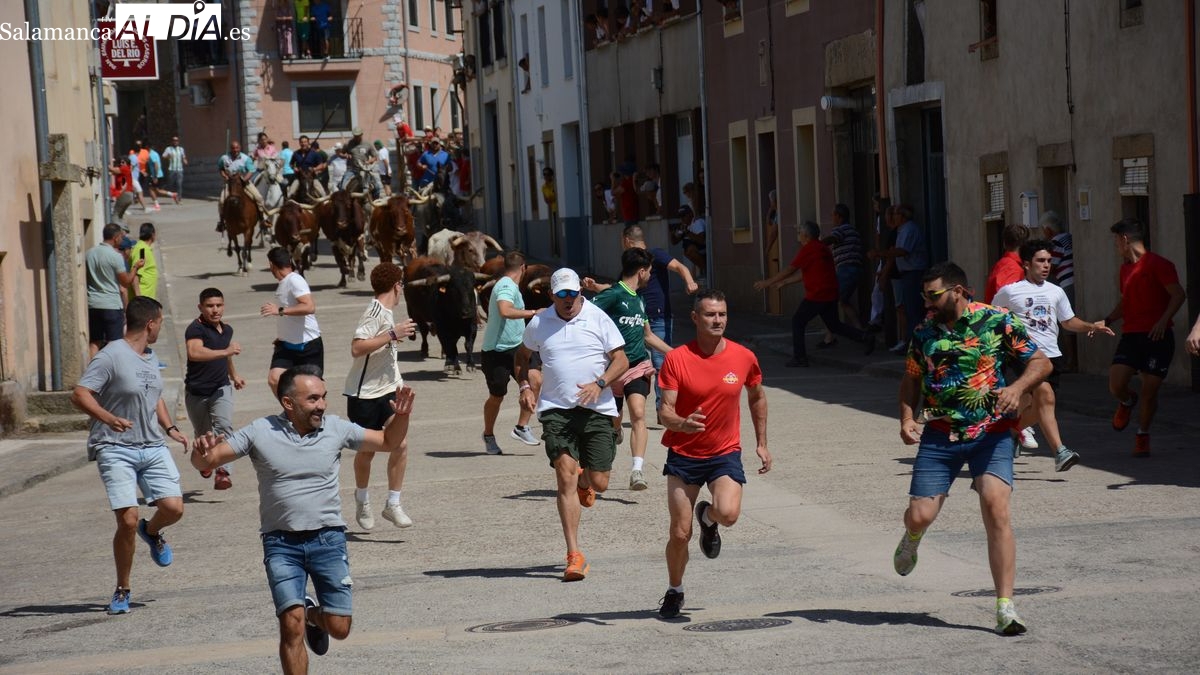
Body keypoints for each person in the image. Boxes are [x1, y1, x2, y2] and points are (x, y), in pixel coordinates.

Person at [189, 366, 415, 672]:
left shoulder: (336, 429)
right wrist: (200, 453)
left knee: (340, 627)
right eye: (312, 399)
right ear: (288, 403)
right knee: (290, 628)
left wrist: (401, 415)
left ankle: (313, 616)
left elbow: (388, 440)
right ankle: (301, 617)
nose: (321, 405)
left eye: (323, 397)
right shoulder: (259, 431)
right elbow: (209, 460)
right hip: (281, 544)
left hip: (328, 539)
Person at [894, 261, 1050, 635]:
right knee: (920, 515)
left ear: (959, 291)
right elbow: (911, 379)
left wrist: (1016, 388)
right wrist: (905, 418)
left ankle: (1005, 606)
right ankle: (912, 537)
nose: (927, 303)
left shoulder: (998, 322)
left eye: (933, 295)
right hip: (940, 435)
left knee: (997, 507)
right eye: (924, 296)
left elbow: (1040, 363)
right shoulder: (923, 332)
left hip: (992, 433)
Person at [71, 296, 190, 615]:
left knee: (174, 508)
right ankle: (122, 589)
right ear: (150, 323)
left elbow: (155, 397)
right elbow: (80, 394)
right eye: (160, 323)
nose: (160, 328)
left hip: (151, 444)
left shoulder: (150, 358)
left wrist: (171, 428)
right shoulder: (111, 356)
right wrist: (107, 417)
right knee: (127, 519)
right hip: (114, 446)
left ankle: (152, 533)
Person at [656, 289, 770, 619]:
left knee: (730, 514)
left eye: (721, 314)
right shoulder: (678, 358)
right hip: (684, 453)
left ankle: (708, 517)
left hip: (724, 452)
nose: (717, 320)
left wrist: (762, 442)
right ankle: (675, 590)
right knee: (679, 533)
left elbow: (757, 397)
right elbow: (665, 411)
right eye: (710, 314)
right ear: (695, 318)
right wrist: (682, 423)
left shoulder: (743, 357)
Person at [514, 268, 629, 581]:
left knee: (600, 482)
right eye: (561, 294)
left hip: (597, 409)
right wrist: (524, 386)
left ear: (581, 291)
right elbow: (522, 357)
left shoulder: (597, 318)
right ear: (552, 296)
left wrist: (600, 382)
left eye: (573, 293)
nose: (568, 300)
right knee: (564, 475)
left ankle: (586, 482)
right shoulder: (539, 323)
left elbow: (622, 360)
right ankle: (574, 554)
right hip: (556, 411)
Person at [993, 240, 1114, 471]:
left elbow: (1068, 321)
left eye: (1048, 261)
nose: (1046, 265)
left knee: (1037, 407)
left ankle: (1008, 433)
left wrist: (1092, 326)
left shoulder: (1056, 291)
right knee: (1046, 396)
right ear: (1027, 264)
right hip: (1025, 356)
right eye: (1041, 261)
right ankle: (1060, 452)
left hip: (1052, 356)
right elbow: (993, 319)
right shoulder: (1010, 292)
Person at [582, 224, 698, 419]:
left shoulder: (654, 254)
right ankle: (618, 408)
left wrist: (689, 281)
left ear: (626, 240)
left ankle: (664, 410)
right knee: (634, 359)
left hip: (658, 317)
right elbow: (617, 290)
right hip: (636, 319)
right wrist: (596, 288)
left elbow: (679, 266)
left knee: (661, 362)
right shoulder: (631, 267)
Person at [1102, 218, 1187, 457]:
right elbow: (1126, 300)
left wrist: (1162, 321)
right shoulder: (1125, 268)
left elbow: (1178, 295)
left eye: (1116, 241)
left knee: (1150, 392)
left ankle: (1142, 435)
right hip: (1132, 335)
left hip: (1157, 337)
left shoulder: (1159, 264)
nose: (1116, 246)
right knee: (1116, 384)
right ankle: (1128, 401)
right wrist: (1107, 320)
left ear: (1125, 239)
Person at [591, 248, 673, 490]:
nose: (650, 276)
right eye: (649, 272)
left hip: (637, 365)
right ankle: (616, 430)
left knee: (638, 413)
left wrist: (675, 353)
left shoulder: (639, 299)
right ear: (642, 271)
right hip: (612, 369)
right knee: (615, 420)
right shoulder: (614, 295)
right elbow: (586, 315)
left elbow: (647, 336)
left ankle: (637, 471)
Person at [344, 263, 418, 529]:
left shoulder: (388, 312)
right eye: (402, 285)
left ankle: (393, 503)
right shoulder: (375, 311)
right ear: (397, 285)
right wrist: (392, 334)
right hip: (363, 395)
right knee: (367, 453)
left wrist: (395, 336)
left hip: (389, 390)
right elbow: (357, 347)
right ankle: (362, 498)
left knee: (400, 444)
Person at [753, 221, 875, 367]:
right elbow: (808, 273)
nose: (798, 236)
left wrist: (767, 282)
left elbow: (790, 269)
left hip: (818, 294)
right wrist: (785, 283)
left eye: (799, 233)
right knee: (834, 325)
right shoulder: (822, 248)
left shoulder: (809, 249)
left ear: (806, 235)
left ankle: (800, 357)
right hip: (830, 293)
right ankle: (865, 337)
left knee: (798, 321)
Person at [184, 287, 247, 490]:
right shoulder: (195, 329)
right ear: (200, 307)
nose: (215, 310)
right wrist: (225, 351)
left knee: (225, 427)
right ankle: (206, 462)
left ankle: (223, 472)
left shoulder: (226, 329)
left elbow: (226, 356)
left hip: (221, 388)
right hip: (197, 392)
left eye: (218, 305)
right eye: (210, 306)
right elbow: (195, 352)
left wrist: (234, 375)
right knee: (204, 437)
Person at [481, 252, 543, 455]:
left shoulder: (510, 285)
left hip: (517, 347)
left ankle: (522, 427)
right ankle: (488, 435)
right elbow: (505, 310)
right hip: (496, 352)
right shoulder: (506, 285)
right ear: (523, 268)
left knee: (535, 380)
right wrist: (534, 313)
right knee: (496, 397)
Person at [261, 247, 324, 396]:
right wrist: (283, 334)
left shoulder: (295, 280)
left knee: (311, 390)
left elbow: (309, 306)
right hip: (286, 345)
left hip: (308, 345)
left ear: (271, 265)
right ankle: (291, 413)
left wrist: (280, 310)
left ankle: (309, 415)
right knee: (275, 379)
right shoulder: (284, 282)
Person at [871, 204, 928, 350]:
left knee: (912, 309)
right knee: (907, 308)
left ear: (902, 216)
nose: (892, 217)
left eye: (895, 214)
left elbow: (902, 251)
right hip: (906, 273)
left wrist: (880, 254)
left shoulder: (909, 229)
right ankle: (910, 342)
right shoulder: (901, 230)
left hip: (913, 272)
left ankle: (915, 345)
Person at [87, 223, 144, 359]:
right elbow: (126, 282)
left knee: (95, 341)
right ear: (116, 237)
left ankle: (92, 371)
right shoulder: (115, 256)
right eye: (120, 237)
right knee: (115, 343)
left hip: (93, 303)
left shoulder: (89, 253)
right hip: (111, 304)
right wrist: (135, 267)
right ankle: (114, 374)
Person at [820, 203, 866, 344]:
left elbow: (831, 239)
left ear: (839, 217)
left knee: (830, 301)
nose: (832, 218)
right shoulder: (852, 230)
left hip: (846, 270)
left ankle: (830, 336)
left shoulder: (842, 229)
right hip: (851, 270)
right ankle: (860, 331)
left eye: (833, 215)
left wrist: (816, 244)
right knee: (843, 302)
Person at [1041, 211, 1078, 370]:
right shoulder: (1068, 237)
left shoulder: (1056, 242)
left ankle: (1071, 361)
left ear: (1048, 230)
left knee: (1066, 320)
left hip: (1067, 282)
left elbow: (1050, 267)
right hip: (1071, 281)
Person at [217, 141, 269, 232]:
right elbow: (221, 168)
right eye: (233, 148)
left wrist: (244, 180)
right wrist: (224, 176)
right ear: (230, 148)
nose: (235, 150)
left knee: (259, 197)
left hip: (244, 182)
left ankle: (262, 219)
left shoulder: (246, 158)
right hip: (230, 183)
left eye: (237, 148)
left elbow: (251, 170)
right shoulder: (224, 158)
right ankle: (222, 222)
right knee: (221, 201)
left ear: (240, 148)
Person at [983, 223, 1030, 303]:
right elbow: (1005, 299)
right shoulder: (1012, 267)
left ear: (1004, 244)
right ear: (1024, 245)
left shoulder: (1004, 264)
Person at [341, 127, 382, 198]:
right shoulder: (349, 144)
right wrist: (346, 156)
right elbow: (341, 153)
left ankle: (375, 203)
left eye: (358, 136)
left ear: (362, 134)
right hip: (352, 170)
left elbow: (375, 157)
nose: (356, 137)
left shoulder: (368, 144)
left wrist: (369, 161)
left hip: (365, 170)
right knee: (342, 187)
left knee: (377, 187)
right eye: (355, 136)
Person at [671, 205, 706, 276]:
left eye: (684, 216)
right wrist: (672, 233)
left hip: (705, 250)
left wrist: (687, 232)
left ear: (691, 214)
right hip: (698, 253)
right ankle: (702, 269)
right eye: (680, 217)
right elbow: (674, 242)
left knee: (690, 250)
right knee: (687, 252)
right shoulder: (685, 226)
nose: (682, 219)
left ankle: (705, 270)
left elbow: (702, 240)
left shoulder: (697, 222)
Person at [129, 222, 159, 300]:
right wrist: (139, 298)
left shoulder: (144, 248)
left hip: (147, 299)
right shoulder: (142, 250)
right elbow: (135, 275)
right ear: (152, 235)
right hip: (143, 300)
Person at [162, 136, 188, 201]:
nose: (175, 141)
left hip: (179, 169)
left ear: (178, 142)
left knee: (179, 183)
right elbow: (163, 156)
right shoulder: (168, 149)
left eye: (176, 140)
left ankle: (179, 197)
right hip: (171, 169)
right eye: (174, 140)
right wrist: (168, 156)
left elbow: (183, 157)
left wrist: (185, 161)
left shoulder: (181, 149)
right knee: (171, 183)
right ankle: (173, 195)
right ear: (172, 141)